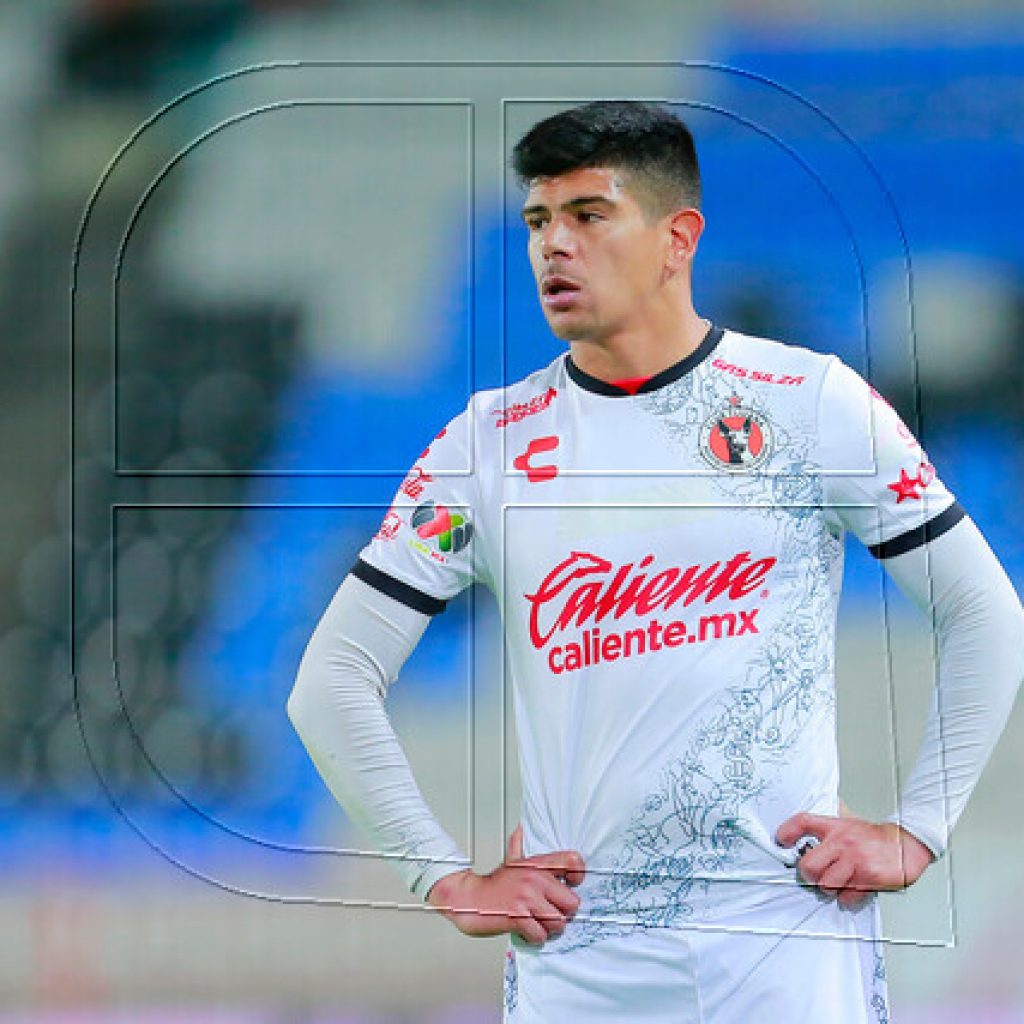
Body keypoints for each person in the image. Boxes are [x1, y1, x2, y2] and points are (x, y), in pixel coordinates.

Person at [287, 102, 1024, 1022]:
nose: (554, 245)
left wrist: (917, 830)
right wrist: (442, 877)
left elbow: (986, 613)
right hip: (583, 960)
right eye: (538, 221)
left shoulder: (808, 405)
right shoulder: (485, 448)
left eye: (588, 216)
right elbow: (332, 680)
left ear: (678, 238)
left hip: (784, 943)